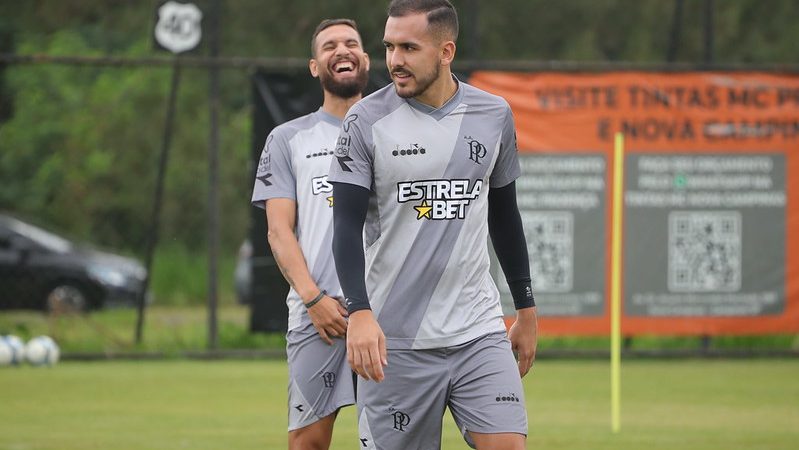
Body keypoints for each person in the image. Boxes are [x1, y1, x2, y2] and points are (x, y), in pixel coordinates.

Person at [328, 1, 537, 449]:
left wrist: (526, 310)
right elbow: (343, 228)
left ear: (446, 52)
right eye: (388, 47)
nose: (395, 61)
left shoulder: (494, 114)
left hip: (478, 331)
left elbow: (505, 215)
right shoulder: (364, 122)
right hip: (395, 341)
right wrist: (359, 313)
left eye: (408, 47)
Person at [250, 18, 370, 450]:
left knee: (393, 441)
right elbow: (279, 232)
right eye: (330, 46)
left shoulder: (397, 129)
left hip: (386, 313)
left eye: (352, 43)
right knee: (308, 443)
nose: (342, 50)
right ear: (314, 67)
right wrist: (314, 299)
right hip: (319, 318)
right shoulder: (288, 139)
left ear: (367, 59)